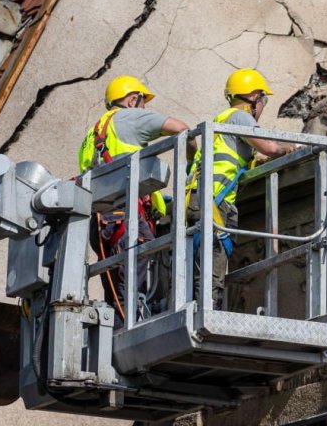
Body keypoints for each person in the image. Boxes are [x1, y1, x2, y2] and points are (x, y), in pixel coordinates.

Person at [78, 75, 195, 322]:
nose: (145, 110)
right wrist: (193, 159)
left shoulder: (92, 134)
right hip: (127, 218)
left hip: (101, 223)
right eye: (143, 103)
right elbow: (181, 128)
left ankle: (117, 332)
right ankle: (124, 337)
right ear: (132, 100)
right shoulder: (129, 117)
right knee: (129, 292)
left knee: (117, 292)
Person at [186, 68, 298, 310]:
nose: (263, 106)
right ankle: (209, 311)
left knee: (200, 263)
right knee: (213, 263)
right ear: (255, 97)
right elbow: (269, 147)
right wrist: (286, 148)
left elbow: (241, 157)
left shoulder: (221, 120)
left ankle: (200, 307)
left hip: (200, 199)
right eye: (264, 100)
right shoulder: (241, 117)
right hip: (214, 203)